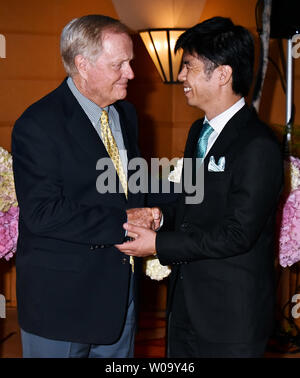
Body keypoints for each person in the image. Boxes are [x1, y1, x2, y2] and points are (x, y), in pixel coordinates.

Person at [116, 16, 284, 358]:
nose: (180, 77)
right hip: (186, 306)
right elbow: (194, 202)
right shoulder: (199, 132)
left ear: (222, 74)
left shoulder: (258, 145)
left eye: (188, 66)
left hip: (231, 317)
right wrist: (161, 216)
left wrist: (158, 244)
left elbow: (237, 233)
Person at [12, 14, 160, 358]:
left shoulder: (126, 115)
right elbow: (43, 213)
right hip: (61, 306)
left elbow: (132, 183)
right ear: (83, 64)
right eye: (119, 64)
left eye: (130, 62)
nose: (131, 73)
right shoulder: (38, 124)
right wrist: (127, 222)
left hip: (120, 299)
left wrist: (199, 190)